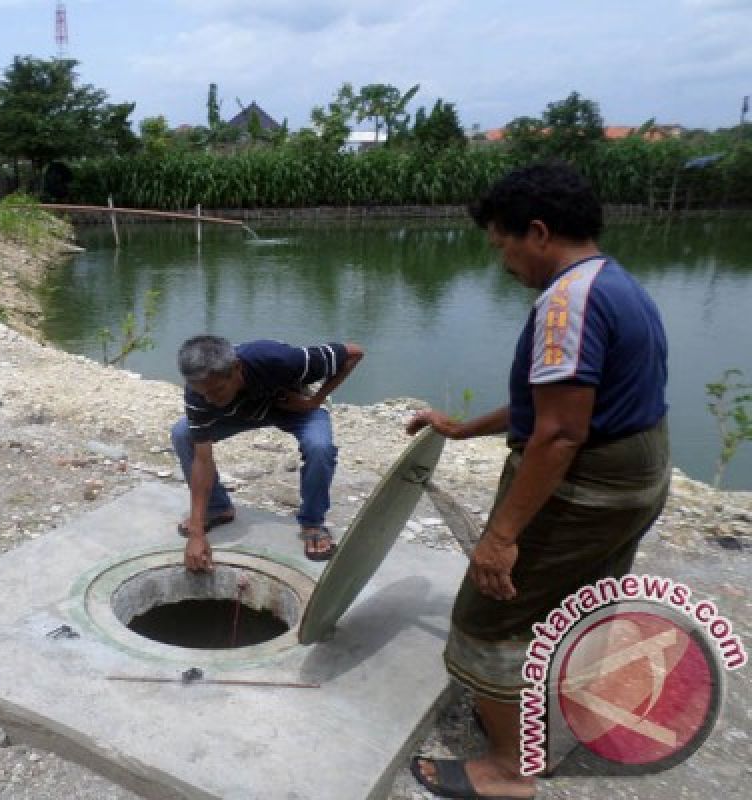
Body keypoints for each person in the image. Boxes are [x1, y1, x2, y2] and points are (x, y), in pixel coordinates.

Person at [406, 162, 670, 800]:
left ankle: (507, 769)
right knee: (576, 599)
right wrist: (463, 429)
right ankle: (556, 706)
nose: (503, 262)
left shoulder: (565, 303)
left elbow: (558, 433)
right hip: (637, 477)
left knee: (488, 614)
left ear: (539, 232)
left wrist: (500, 536)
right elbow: (549, 403)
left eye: (503, 245)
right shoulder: (615, 282)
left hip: (589, 486)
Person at [172, 335, 364, 571]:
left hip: (294, 408)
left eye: (218, 389)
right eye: (203, 394)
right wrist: (197, 533)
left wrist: (315, 400)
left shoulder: (278, 359)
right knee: (183, 434)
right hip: (239, 414)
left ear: (237, 369)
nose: (210, 399)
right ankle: (217, 508)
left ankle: (313, 523)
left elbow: (353, 353)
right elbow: (203, 458)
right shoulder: (198, 393)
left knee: (319, 446)